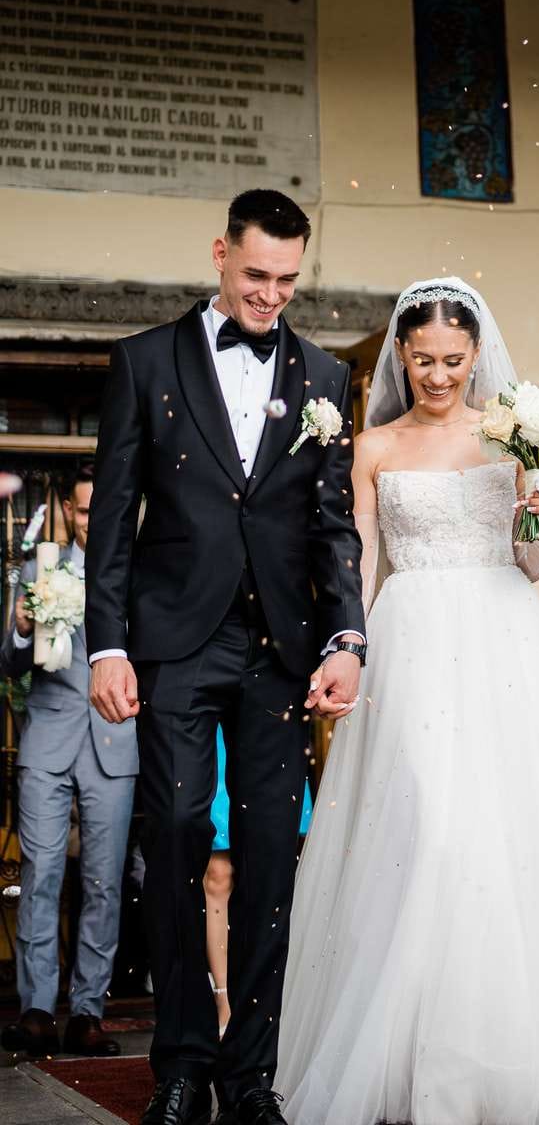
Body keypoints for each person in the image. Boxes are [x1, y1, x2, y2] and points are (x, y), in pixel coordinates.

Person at [276, 278, 539, 1125]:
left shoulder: (514, 436)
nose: (438, 376)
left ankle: (509, 1048)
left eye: (453, 361)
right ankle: (415, 1047)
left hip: (503, 642)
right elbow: (358, 564)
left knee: (508, 833)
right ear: (399, 354)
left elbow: (532, 564)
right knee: (426, 830)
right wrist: (346, 650)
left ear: (476, 353)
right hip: (412, 644)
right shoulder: (373, 447)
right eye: (423, 360)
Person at [85, 188, 366, 1125]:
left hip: (279, 652)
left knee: (270, 859)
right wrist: (109, 646)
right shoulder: (144, 361)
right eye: (255, 275)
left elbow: (333, 527)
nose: (270, 295)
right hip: (174, 643)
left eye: (287, 280)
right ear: (219, 254)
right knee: (173, 835)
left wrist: (346, 638)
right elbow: (112, 519)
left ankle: (249, 1079)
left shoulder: (324, 376)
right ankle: (180, 1067)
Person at [0, 463, 137, 1060]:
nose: (92, 520)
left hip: (115, 741)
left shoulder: (139, 574)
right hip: (48, 742)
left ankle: (88, 1012)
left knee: (105, 882)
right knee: (42, 875)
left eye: (101, 509)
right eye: (83, 510)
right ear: (68, 512)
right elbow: (9, 663)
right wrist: (21, 629)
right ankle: (35, 1010)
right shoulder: (38, 571)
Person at [205, 727, 312, 1038]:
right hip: (210, 730)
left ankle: (269, 999)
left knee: (270, 868)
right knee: (218, 873)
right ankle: (224, 1000)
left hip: (262, 726)